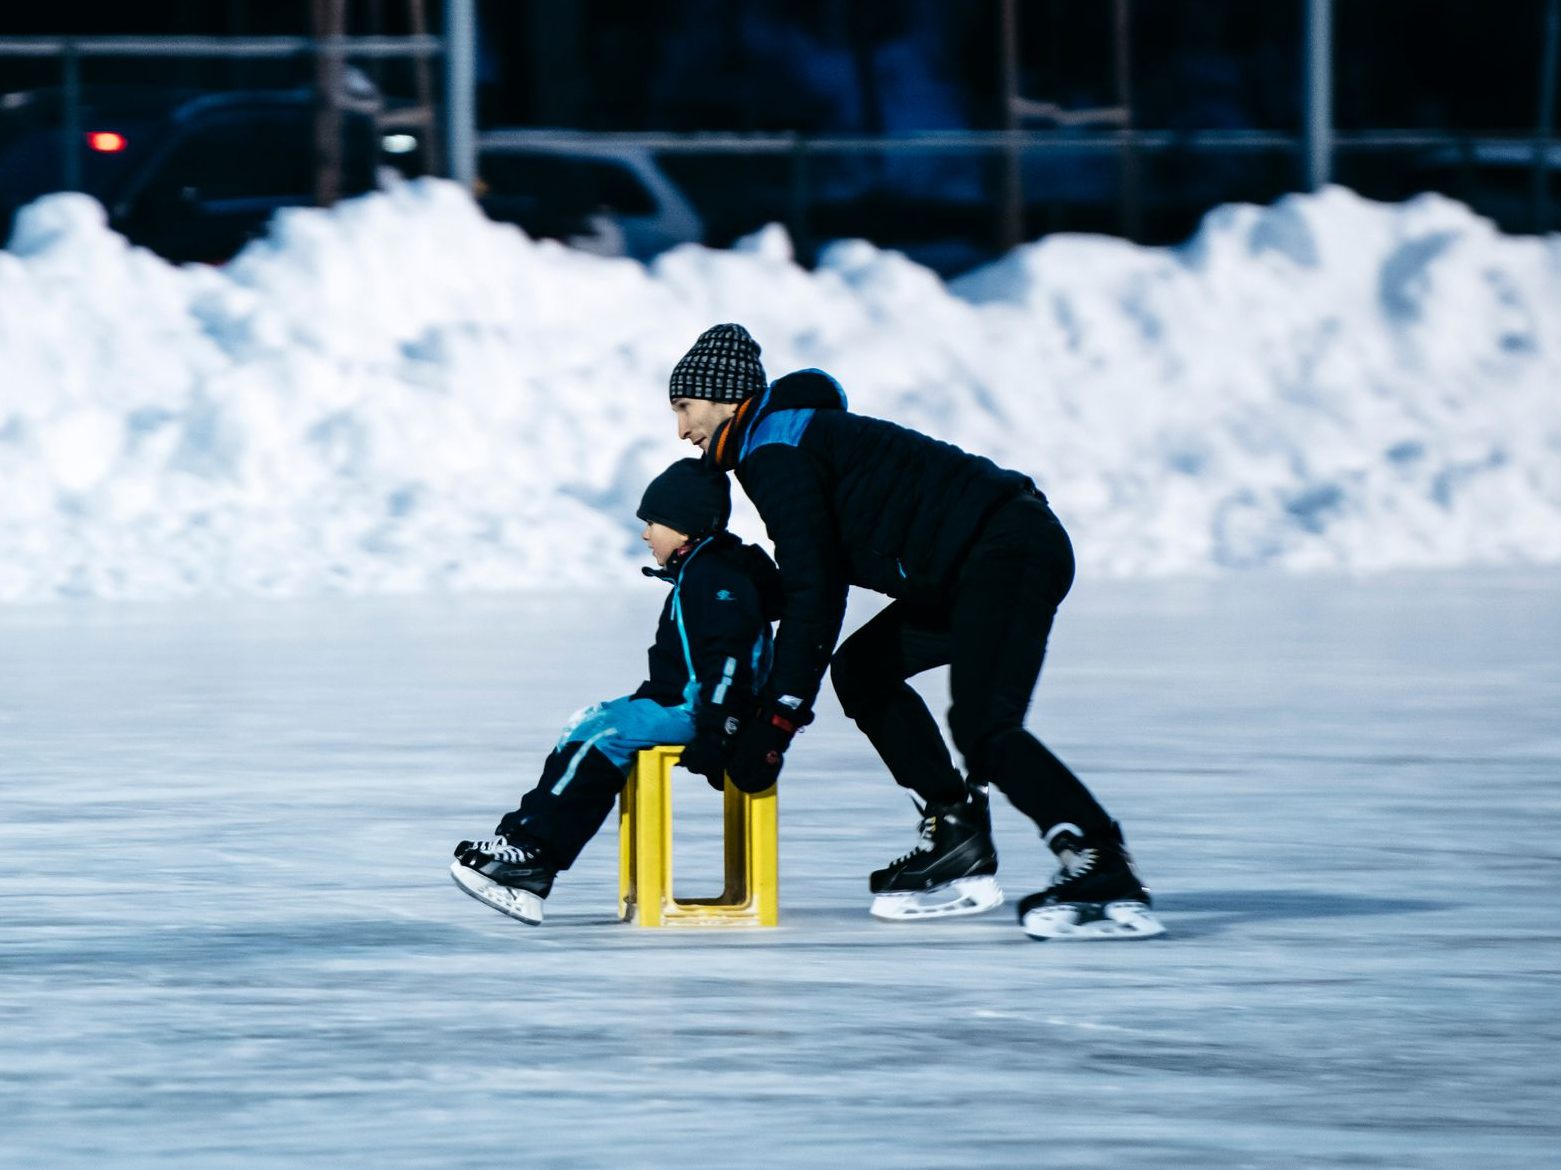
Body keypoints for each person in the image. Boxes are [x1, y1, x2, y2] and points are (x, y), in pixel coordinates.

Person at [666, 323, 1164, 941]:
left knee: (985, 727)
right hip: (970, 564)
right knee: (863, 670)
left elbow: (814, 594)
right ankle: (956, 831)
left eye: (685, 408)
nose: (682, 431)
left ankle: (1099, 861)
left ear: (726, 398)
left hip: (1004, 549)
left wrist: (777, 718)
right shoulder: (783, 441)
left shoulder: (774, 449)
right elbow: (811, 574)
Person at [450, 457, 781, 925]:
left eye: (653, 523)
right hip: (679, 699)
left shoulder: (717, 579)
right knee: (587, 722)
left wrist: (719, 728)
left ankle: (533, 856)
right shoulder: (702, 572)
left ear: (684, 526)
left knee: (602, 737)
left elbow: (730, 661)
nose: (646, 535)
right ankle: (520, 839)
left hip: (699, 710)